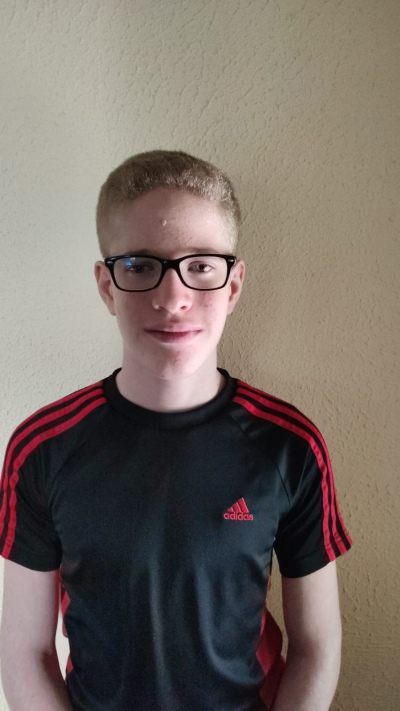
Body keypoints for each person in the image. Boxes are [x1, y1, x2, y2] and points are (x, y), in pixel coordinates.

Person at [0, 150, 352, 711]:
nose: (173, 299)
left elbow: (316, 645)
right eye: (141, 266)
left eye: (202, 266)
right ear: (107, 285)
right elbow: (24, 654)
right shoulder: (40, 448)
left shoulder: (291, 446)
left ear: (233, 286)